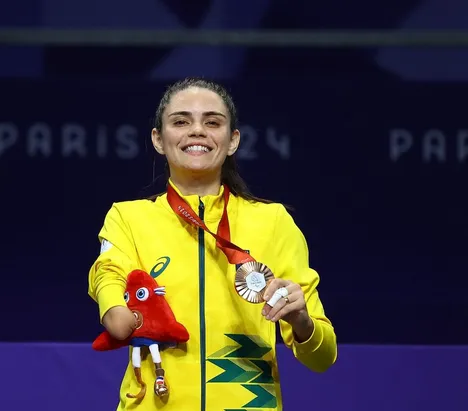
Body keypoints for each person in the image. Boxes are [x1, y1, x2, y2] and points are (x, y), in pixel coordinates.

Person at [88, 77, 337, 411]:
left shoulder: (273, 222)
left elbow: (323, 358)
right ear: (158, 139)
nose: (197, 130)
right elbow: (107, 273)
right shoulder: (129, 218)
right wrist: (113, 308)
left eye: (212, 122)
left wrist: (303, 322)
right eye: (180, 121)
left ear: (232, 140)